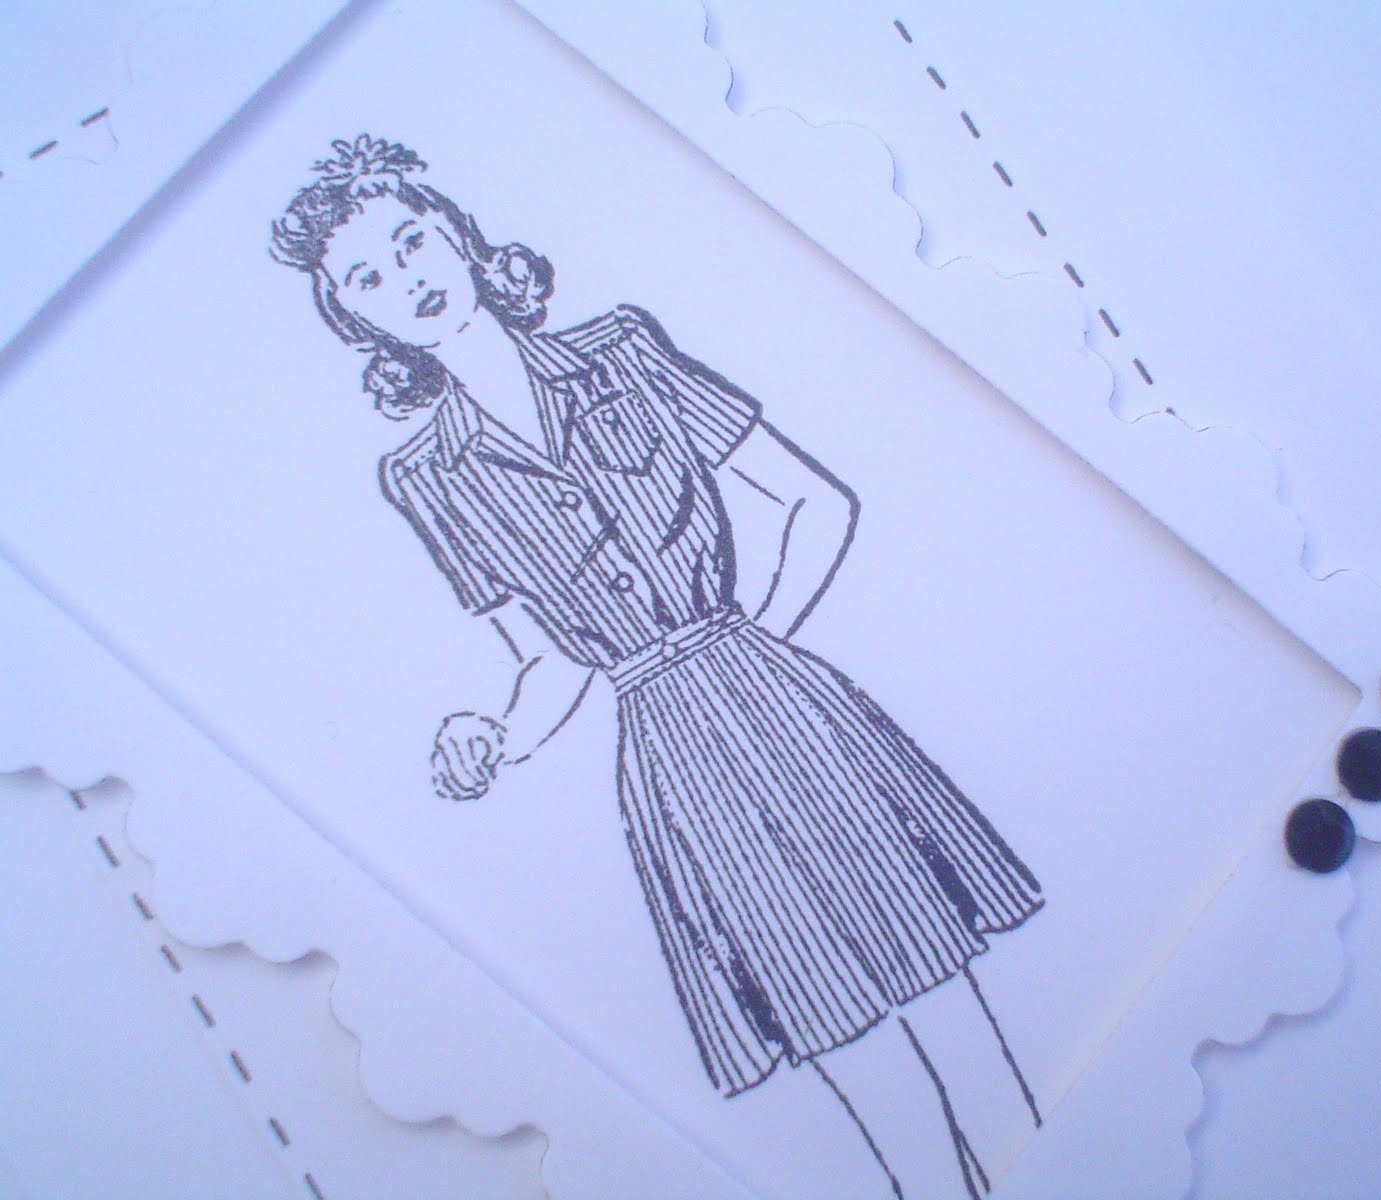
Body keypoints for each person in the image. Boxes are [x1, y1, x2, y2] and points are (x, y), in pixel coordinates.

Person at [273, 135, 1045, 1198]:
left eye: (412, 241)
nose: (405, 279)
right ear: (354, 320)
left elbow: (812, 501)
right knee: (846, 1045)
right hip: (673, 762)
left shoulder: (622, 349)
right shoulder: (426, 476)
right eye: (366, 278)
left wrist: (750, 642)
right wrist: (493, 740)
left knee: (944, 993)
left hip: (780, 699)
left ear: (456, 232)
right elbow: (545, 663)